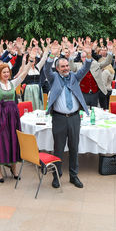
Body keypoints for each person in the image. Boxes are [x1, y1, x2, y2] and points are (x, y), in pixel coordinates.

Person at [42, 41, 93, 189]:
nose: (65, 68)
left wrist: (88, 55)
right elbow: (46, 68)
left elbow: (86, 67)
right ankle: (56, 176)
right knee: (58, 148)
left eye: (67, 66)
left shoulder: (74, 77)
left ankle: (74, 176)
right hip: (58, 118)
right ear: (57, 69)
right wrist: (52, 53)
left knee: (74, 148)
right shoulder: (53, 78)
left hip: (74, 118)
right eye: (62, 67)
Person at [0, 43, 32, 182]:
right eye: (4, 72)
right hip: (0, 115)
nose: (7, 74)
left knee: (13, 140)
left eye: (8, 72)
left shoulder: (12, 83)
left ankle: (14, 169)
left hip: (13, 116)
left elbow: (23, 74)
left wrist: (30, 61)